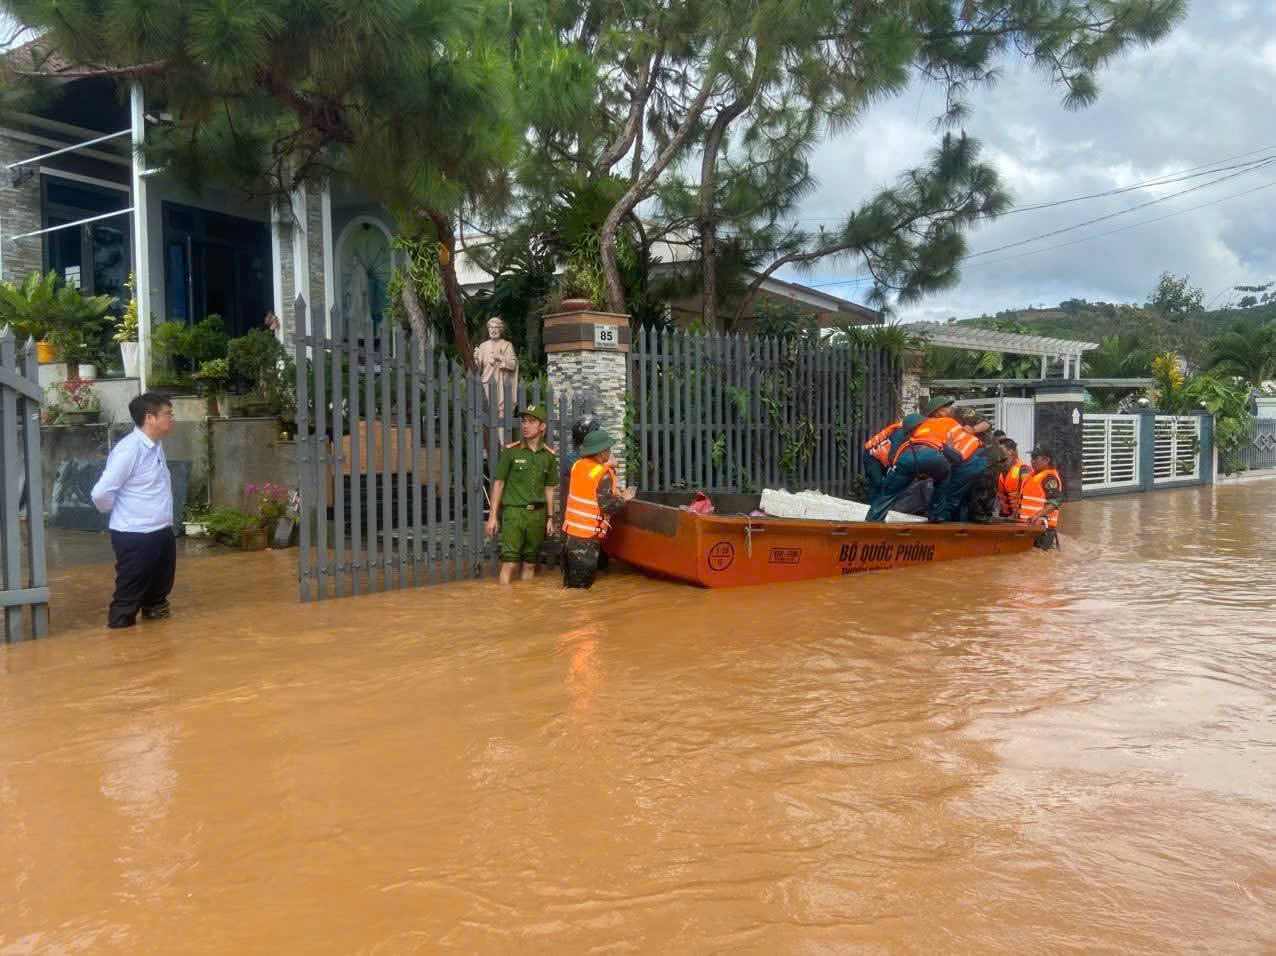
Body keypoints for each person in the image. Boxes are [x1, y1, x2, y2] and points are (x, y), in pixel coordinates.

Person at [90, 392, 177, 629]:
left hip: (161, 530)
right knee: (128, 598)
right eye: (168, 414)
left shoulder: (155, 445)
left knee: (158, 595)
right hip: (135, 534)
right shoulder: (129, 450)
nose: (172, 418)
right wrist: (121, 513)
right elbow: (101, 493)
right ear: (149, 418)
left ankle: (157, 645)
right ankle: (120, 639)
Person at [485, 404, 558, 584]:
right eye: (524, 421)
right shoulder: (511, 451)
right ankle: (504, 599)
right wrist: (492, 516)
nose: (525, 425)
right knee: (509, 563)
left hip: (538, 515)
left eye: (531, 422)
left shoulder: (548, 456)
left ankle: (525, 599)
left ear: (542, 427)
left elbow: (549, 488)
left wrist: (550, 517)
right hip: (514, 513)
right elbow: (499, 483)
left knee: (530, 564)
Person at [562, 430, 634, 589]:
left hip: (571, 536)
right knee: (582, 590)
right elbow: (608, 506)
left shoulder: (578, 466)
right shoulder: (603, 474)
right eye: (608, 449)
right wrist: (624, 498)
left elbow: (589, 485)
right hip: (586, 540)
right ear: (601, 453)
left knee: (570, 586)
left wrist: (608, 466)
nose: (610, 452)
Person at [865, 403, 955, 521]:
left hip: (896, 459)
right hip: (873, 457)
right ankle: (873, 518)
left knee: (889, 486)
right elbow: (894, 454)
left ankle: (875, 515)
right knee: (881, 486)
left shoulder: (919, 429)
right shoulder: (900, 432)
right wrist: (894, 468)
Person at [1019, 445, 1064, 548]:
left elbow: (1056, 502)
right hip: (1029, 526)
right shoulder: (1033, 475)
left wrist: (1037, 516)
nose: (1032, 461)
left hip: (1042, 529)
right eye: (1032, 458)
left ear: (1046, 460)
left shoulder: (1049, 478)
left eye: (1035, 458)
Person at [996, 437, 1031, 518]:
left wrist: (1015, 515)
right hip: (1006, 518)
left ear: (1011, 451)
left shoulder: (1024, 470)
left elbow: (1028, 497)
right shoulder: (1001, 471)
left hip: (1021, 518)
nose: (998, 454)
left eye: (1001, 450)